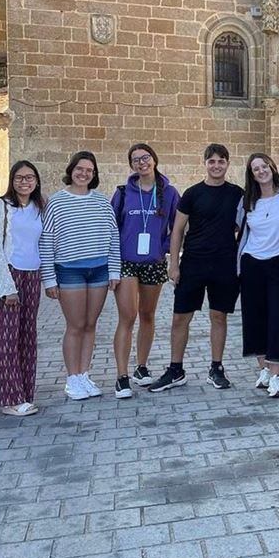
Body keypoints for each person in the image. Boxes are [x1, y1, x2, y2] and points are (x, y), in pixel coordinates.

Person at [151, 144, 243, 393]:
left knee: (218, 316)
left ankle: (216, 368)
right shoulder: (192, 193)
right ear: (205, 163)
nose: (216, 166)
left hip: (224, 264)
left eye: (221, 161)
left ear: (227, 164)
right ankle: (175, 369)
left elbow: (244, 226)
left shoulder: (237, 194)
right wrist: (174, 264)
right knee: (181, 317)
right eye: (211, 161)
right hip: (193, 263)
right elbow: (178, 230)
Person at [39, 151, 120, 401]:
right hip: (69, 270)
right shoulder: (57, 202)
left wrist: (114, 270)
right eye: (80, 168)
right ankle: (72, 378)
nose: (84, 173)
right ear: (71, 170)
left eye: (89, 170)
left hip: (99, 270)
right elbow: (47, 241)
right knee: (75, 326)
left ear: (94, 174)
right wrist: (49, 279)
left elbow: (113, 238)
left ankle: (84, 374)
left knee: (90, 325)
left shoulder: (102, 202)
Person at [111, 143, 180, 399]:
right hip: (127, 262)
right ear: (131, 166)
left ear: (154, 160)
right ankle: (121, 376)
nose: (142, 162)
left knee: (147, 315)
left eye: (146, 157)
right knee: (127, 316)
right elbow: (112, 229)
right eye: (136, 159)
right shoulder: (122, 193)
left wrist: (164, 250)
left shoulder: (170, 192)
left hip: (154, 262)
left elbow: (178, 227)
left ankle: (141, 367)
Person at [236, 153, 279, 397]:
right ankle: (263, 368)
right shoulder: (247, 201)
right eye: (255, 169)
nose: (261, 171)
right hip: (252, 262)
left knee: (278, 319)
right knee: (254, 319)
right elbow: (239, 230)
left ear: (273, 167)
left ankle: (276, 376)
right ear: (251, 175)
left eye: (264, 166)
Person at [0, 160, 45, 416]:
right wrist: (6, 287)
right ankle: (9, 398)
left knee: (27, 337)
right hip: (10, 274)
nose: (25, 182)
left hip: (33, 276)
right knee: (6, 339)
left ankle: (24, 392)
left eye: (30, 177)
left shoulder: (39, 207)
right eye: (20, 177)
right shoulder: (2, 205)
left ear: (36, 181)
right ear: (12, 180)